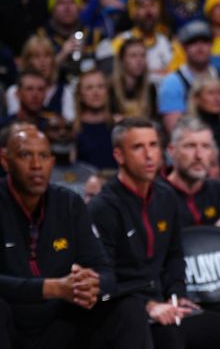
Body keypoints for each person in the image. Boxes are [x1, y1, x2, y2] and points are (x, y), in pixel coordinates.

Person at [87, 117, 220, 349]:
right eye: (138, 147)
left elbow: (174, 256)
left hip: (165, 303)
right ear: (119, 156)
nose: (148, 155)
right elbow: (102, 277)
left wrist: (176, 295)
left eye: (153, 145)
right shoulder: (103, 207)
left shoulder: (165, 197)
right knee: (170, 335)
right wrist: (148, 306)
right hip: (123, 309)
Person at [0, 124, 149, 349]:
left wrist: (90, 285)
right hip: (12, 322)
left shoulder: (69, 203)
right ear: (5, 160)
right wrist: (52, 288)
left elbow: (105, 272)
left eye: (43, 156)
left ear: (52, 161)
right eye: (24, 155)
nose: (36, 165)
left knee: (128, 308)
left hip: (58, 322)